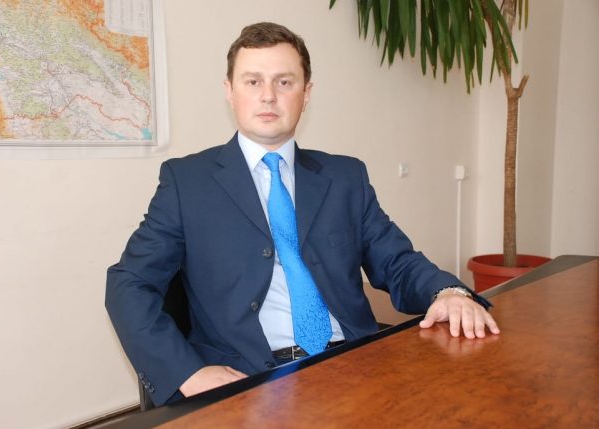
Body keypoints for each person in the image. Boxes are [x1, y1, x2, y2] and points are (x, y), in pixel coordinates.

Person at [106, 22, 500, 407]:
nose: (268, 96)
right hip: (248, 383)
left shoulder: (345, 177)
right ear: (229, 91)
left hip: (353, 367)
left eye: (284, 82)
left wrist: (448, 292)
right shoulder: (187, 182)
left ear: (306, 93)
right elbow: (129, 284)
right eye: (252, 81)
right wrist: (188, 373)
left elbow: (397, 261)